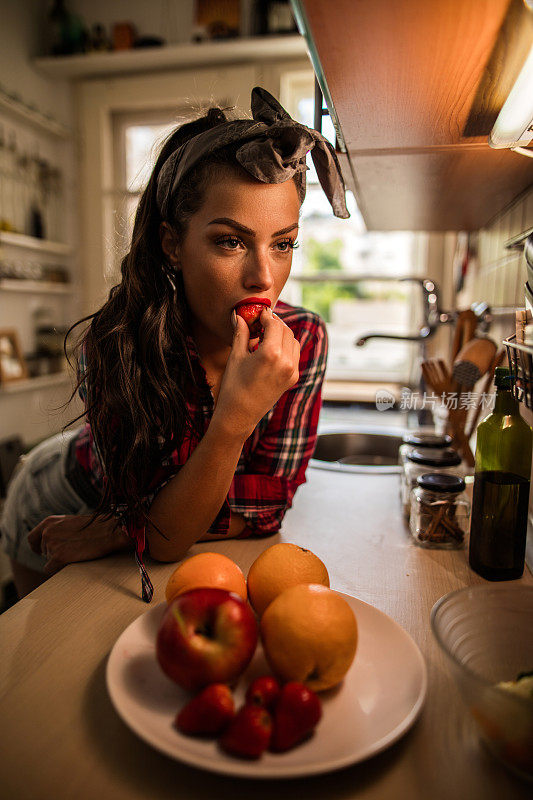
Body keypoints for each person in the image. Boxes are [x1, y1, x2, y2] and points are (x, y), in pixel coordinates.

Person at [0, 87, 349, 602]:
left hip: (108, 527)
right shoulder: (116, 343)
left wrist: (128, 527)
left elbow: (267, 508)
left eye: (283, 243)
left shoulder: (303, 339)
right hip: (63, 505)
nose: (263, 276)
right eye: (230, 241)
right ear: (172, 245)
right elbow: (165, 535)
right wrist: (235, 419)